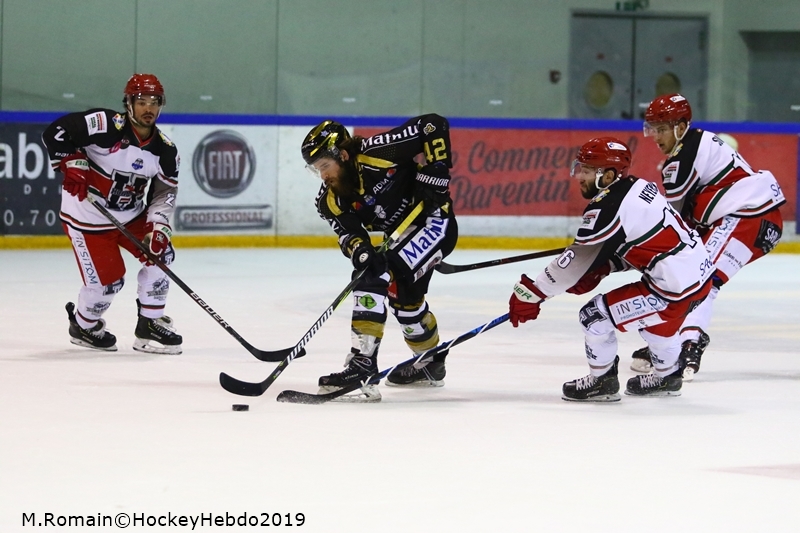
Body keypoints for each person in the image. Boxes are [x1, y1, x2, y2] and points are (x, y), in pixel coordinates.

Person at [508, 137, 714, 401]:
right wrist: (605, 266)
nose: (579, 175)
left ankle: (601, 382)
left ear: (607, 175)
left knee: (593, 317)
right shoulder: (637, 186)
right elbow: (648, 246)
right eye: (580, 167)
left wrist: (534, 292)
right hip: (697, 278)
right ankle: (668, 377)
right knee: (657, 327)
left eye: (587, 169)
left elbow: (573, 262)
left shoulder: (608, 206)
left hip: (672, 289)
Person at [301, 115, 458, 402]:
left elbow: (432, 125)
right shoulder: (329, 200)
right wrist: (360, 250)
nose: (323, 175)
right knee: (405, 301)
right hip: (400, 236)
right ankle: (431, 362)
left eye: (325, 166)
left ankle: (362, 365)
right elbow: (348, 234)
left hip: (433, 222)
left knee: (375, 278)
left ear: (343, 155)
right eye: (316, 170)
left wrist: (436, 167)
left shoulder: (378, 152)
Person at [630, 93, 786, 379]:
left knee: (700, 278)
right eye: (652, 128)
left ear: (680, 126)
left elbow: (673, 227)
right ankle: (673, 340)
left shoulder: (680, 161)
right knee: (694, 276)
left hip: (746, 217)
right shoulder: (698, 142)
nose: (655, 136)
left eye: (661, 128)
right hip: (759, 220)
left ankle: (689, 341)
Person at [42, 73, 182, 354]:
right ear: (128, 103)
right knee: (108, 284)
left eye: (154, 102)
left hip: (130, 216)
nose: (148, 109)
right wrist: (71, 160)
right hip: (87, 218)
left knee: (161, 254)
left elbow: (163, 194)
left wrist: (158, 227)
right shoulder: (105, 125)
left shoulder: (166, 151)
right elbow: (56, 133)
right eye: (141, 101)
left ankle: (150, 326)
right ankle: (84, 325)